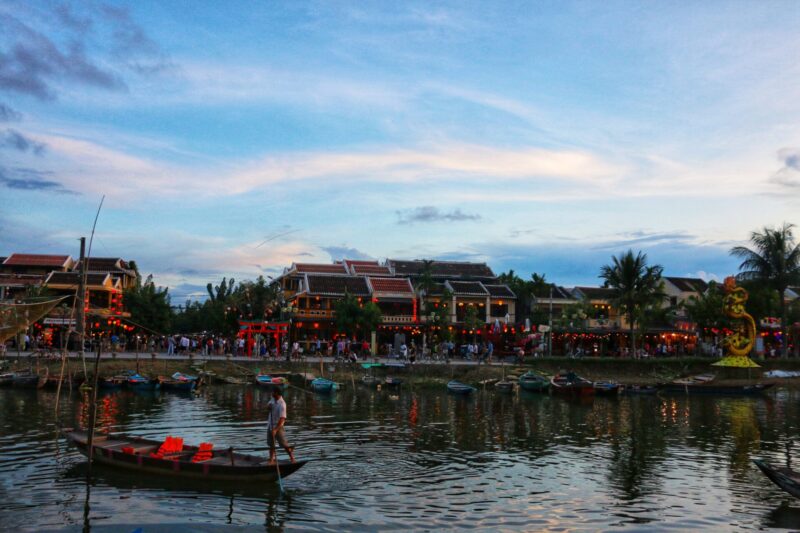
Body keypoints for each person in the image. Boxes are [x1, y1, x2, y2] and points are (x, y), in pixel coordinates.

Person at [266, 389, 296, 464]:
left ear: (277, 393)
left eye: (273, 392)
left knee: (283, 444)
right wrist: (268, 407)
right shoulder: (273, 399)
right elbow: (268, 405)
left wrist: (275, 430)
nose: (272, 393)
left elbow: (282, 419)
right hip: (270, 425)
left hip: (278, 427)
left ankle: (292, 458)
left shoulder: (282, 404)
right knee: (271, 444)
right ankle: (271, 459)